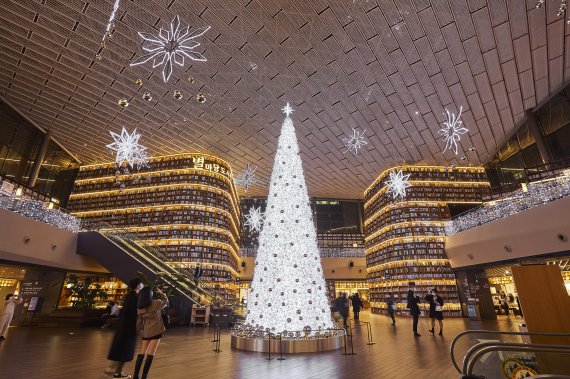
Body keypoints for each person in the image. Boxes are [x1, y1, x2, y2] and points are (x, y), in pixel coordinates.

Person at [105, 278, 144, 378]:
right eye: (141, 284)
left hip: (123, 326)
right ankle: (117, 372)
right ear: (138, 286)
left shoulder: (129, 296)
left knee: (121, 349)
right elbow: (133, 313)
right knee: (125, 350)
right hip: (129, 328)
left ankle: (114, 370)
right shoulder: (135, 298)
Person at [133, 286, 169, 379]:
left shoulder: (140, 307)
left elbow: (139, 322)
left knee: (142, 353)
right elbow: (166, 302)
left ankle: (135, 376)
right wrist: (161, 293)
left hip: (146, 332)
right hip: (157, 331)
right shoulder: (155, 303)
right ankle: (144, 376)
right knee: (151, 354)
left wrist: (139, 332)